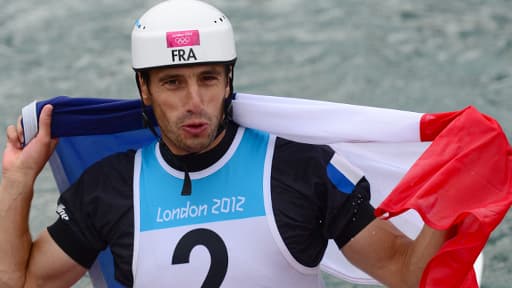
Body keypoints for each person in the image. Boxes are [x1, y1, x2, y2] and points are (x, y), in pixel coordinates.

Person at [0, 0, 452, 287]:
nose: (194, 102)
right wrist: (17, 179)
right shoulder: (108, 188)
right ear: (144, 88)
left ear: (229, 79)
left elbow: (407, 272)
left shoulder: (302, 169)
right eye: (173, 83)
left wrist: (453, 192)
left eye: (208, 79)